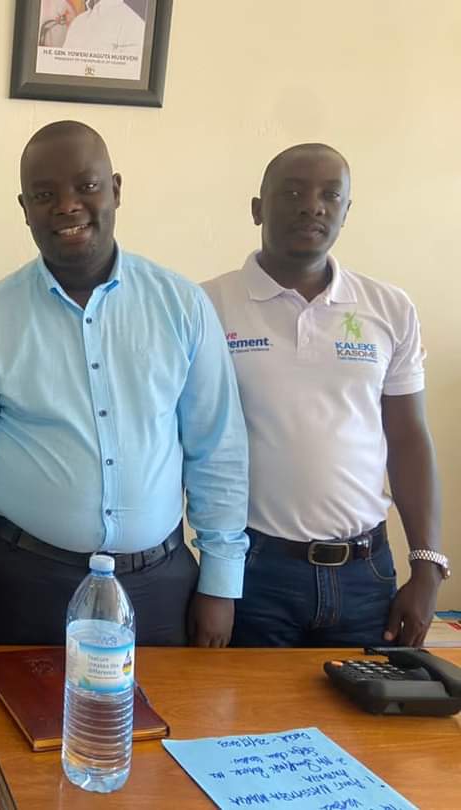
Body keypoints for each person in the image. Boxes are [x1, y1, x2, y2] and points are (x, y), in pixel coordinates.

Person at [0, 120, 249, 647]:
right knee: (5, 729)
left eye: (87, 186)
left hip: (157, 587)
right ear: (25, 208)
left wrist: (220, 583)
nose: (67, 205)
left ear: (116, 190)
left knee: (152, 730)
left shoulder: (181, 306)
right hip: (20, 586)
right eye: (44, 194)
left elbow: (217, 450)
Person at [203, 143, 448, 648]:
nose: (312, 206)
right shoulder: (206, 305)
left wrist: (427, 567)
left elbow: (408, 438)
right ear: (257, 208)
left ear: (346, 212)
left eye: (329, 196)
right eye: (291, 192)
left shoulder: (389, 308)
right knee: (248, 723)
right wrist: (213, 581)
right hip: (254, 573)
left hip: (366, 575)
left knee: (363, 725)